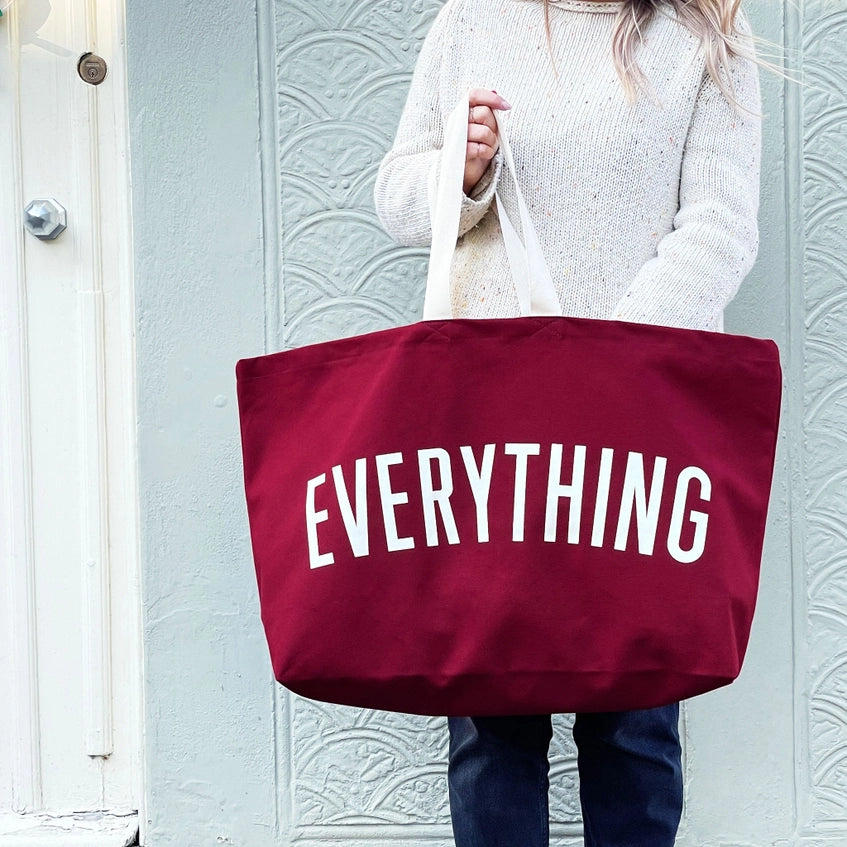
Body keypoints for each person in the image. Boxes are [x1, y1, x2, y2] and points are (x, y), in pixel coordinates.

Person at [373, 0, 761, 844]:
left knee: (634, 712)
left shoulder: (704, 39)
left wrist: (600, 367)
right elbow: (400, 202)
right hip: (489, 427)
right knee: (488, 715)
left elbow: (719, 228)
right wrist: (462, 171)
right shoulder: (472, 23)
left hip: (638, 422)